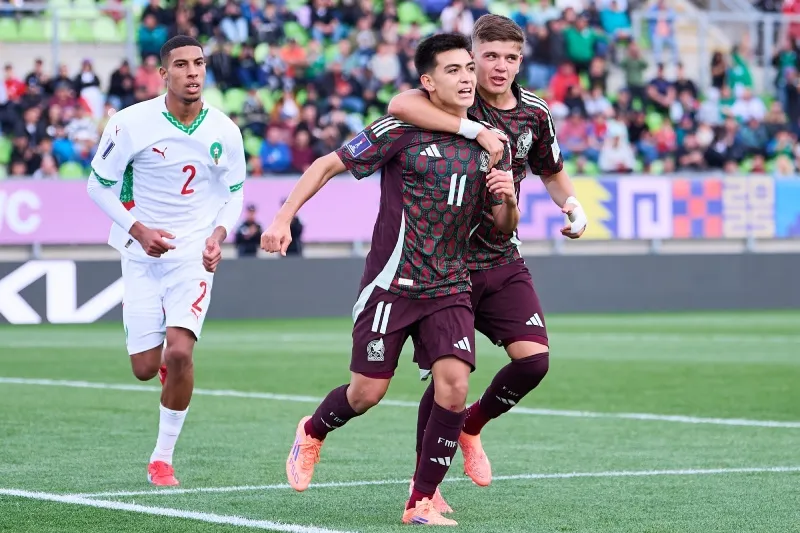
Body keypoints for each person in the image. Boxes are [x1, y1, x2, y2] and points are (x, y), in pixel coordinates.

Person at [261, 33, 517, 527]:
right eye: (453, 70)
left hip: (449, 285)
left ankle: (420, 501)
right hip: (391, 286)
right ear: (428, 82)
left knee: (455, 385)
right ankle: (313, 430)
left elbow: (504, 226)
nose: (466, 78)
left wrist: (506, 199)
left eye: (469, 68)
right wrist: (282, 218)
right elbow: (326, 165)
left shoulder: (491, 141)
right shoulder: (400, 129)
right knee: (366, 394)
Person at [387, 14, 588, 512]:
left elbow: (552, 171)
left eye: (511, 58)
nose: (499, 67)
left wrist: (573, 206)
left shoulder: (535, 113)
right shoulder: (457, 94)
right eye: (490, 56)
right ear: (472, 56)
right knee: (447, 379)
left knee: (534, 361)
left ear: (522, 61)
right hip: (448, 261)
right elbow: (399, 103)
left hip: (502, 254)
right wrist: (472, 128)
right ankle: (425, 489)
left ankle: (472, 426)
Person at [86, 35, 246, 487]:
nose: (193, 72)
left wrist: (218, 235)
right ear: (163, 73)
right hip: (140, 255)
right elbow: (98, 186)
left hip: (193, 256)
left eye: (199, 63)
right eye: (182, 65)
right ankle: (162, 368)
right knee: (143, 367)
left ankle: (162, 458)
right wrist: (139, 231)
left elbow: (234, 195)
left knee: (181, 351)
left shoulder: (224, 130)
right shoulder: (130, 123)